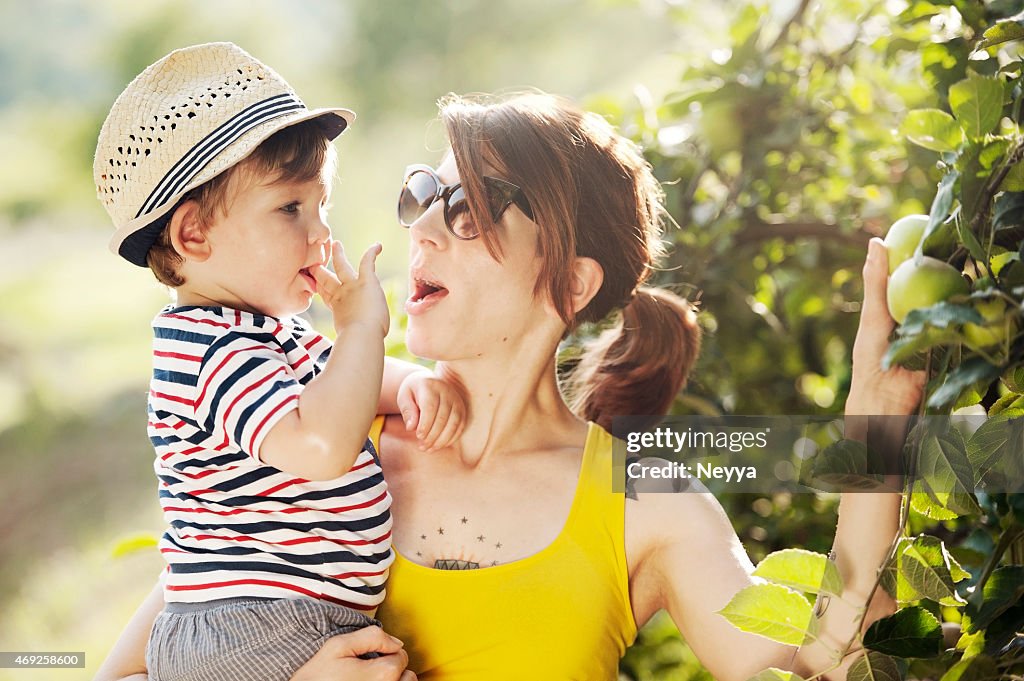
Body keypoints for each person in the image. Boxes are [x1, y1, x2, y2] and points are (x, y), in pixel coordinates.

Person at [96, 91, 925, 681]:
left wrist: (878, 426)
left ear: (568, 282)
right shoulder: (327, 434)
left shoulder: (645, 502)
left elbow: (828, 667)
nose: (419, 225)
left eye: (469, 205)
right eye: (422, 193)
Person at [92, 43, 462, 681]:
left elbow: (346, 384)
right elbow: (320, 445)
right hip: (249, 629)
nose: (320, 233)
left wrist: (414, 387)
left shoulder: (267, 334)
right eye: (290, 209)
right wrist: (362, 327)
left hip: (290, 617)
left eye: (321, 205)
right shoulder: (209, 349)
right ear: (194, 236)